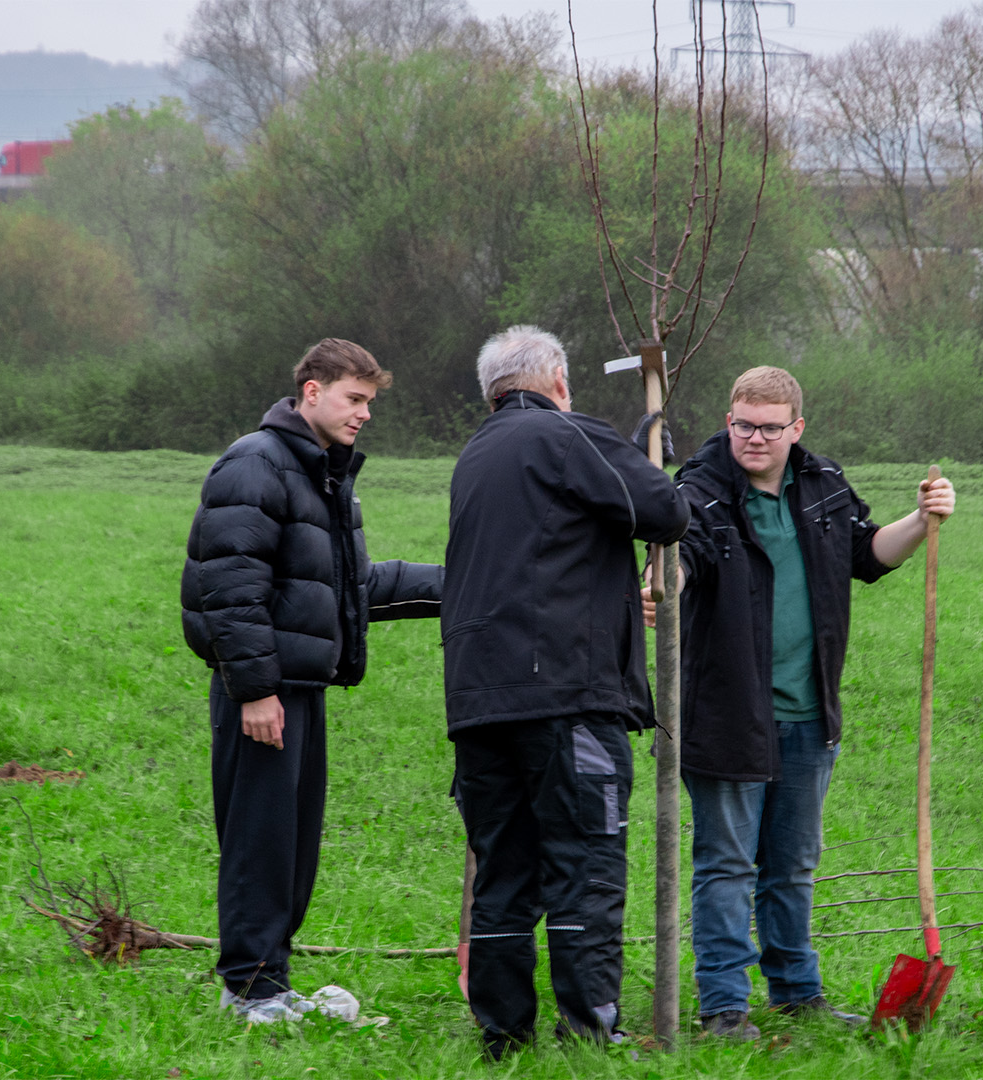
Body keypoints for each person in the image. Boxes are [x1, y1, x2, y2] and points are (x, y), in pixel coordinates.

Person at [659, 365, 955, 1040]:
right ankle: (725, 1008)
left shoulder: (823, 486)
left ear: (796, 428)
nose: (753, 439)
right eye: (742, 424)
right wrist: (664, 577)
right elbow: (685, 559)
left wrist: (922, 518)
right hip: (726, 716)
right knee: (727, 867)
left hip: (808, 715)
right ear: (728, 419)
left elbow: (868, 554)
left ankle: (796, 994)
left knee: (791, 866)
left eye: (768, 427)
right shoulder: (699, 493)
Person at [441, 325, 691, 1056]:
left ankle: (502, 1038)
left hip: (480, 701)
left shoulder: (475, 455)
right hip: (568, 697)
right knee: (585, 865)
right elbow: (666, 512)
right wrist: (640, 450)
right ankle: (589, 1035)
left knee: (505, 872)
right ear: (555, 380)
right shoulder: (565, 434)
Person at [180, 339, 443, 1023]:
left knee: (291, 844)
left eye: (369, 403)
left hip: (301, 687)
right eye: (355, 400)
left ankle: (273, 979)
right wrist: (255, 691)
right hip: (263, 693)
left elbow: (349, 586)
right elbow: (228, 586)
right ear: (311, 392)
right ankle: (248, 990)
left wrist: (463, 583)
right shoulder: (255, 464)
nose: (364, 415)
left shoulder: (320, 475)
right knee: (258, 840)